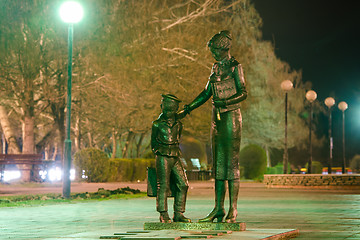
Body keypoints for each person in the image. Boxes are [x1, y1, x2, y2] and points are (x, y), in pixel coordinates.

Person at [183, 30, 247, 223]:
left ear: (224, 48)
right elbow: (206, 93)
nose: (213, 55)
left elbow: (243, 92)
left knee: (231, 164)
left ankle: (232, 210)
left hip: (231, 118)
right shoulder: (215, 68)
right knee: (218, 165)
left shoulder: (236, 67)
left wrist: (225, 103)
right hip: (217, 118)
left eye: (215, 51)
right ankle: (218, 208)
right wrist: (188, 108)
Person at [151, 94, 191, 223]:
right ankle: (163, 213)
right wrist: (158, 151)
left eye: (171, 109)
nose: (168, 111)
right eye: (166, 108)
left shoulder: (179, 124)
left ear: (175, 109)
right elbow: (153, 142)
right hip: (162, 155)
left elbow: (177, 138)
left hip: (175, 154)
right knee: (163, 185)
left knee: (183, 184)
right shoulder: (157, 124)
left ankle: (178, 213)